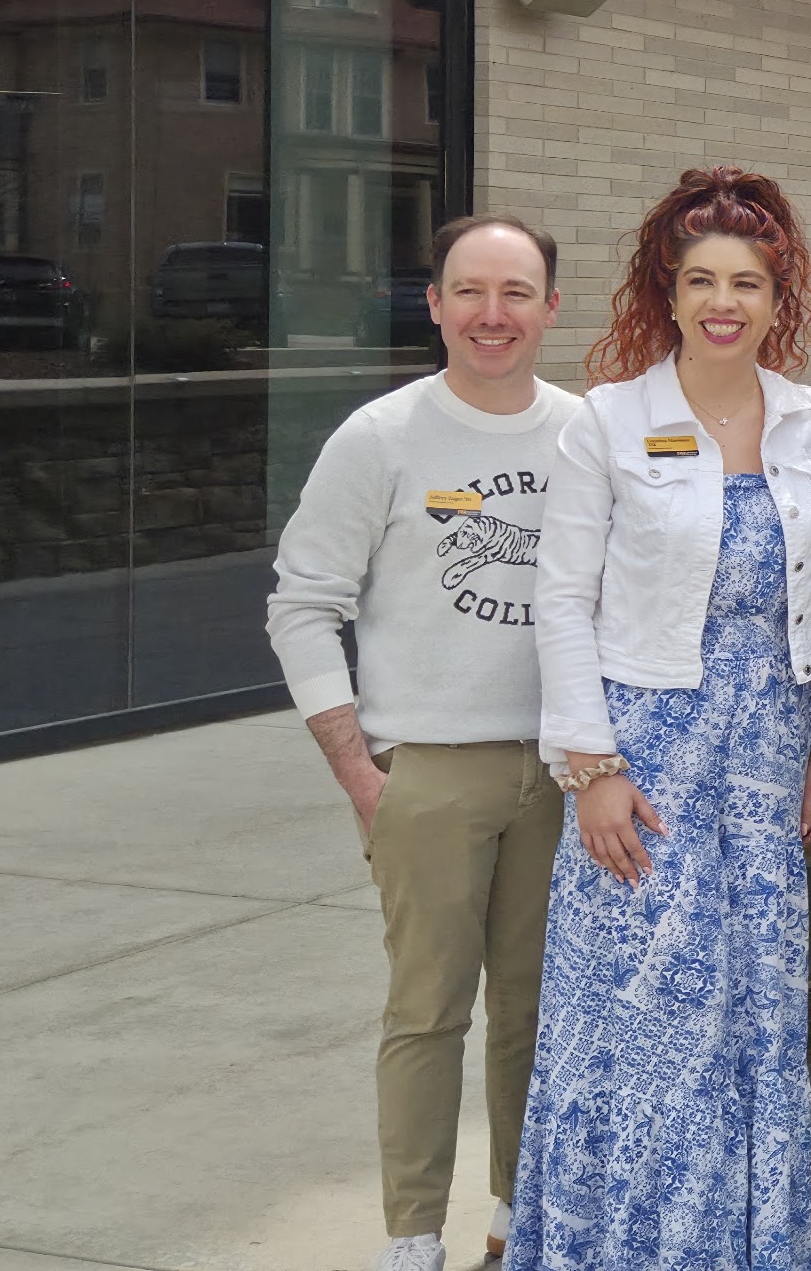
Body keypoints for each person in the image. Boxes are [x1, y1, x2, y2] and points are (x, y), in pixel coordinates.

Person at [517, 168, 811, 1270]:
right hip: (644, 755)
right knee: (637, 1015)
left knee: (751, 1010)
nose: (724, 302)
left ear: (777, 293)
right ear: (667, 289)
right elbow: (559, 599)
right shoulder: (608, 421)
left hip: (764, 757)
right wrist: (590, 767)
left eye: (747, 282)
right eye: (702, 279)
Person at [268, 215, 581, 1271]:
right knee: (427, 1016)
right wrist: (358, 767)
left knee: (535, 1018)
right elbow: (301, 604)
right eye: (471, 291)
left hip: (560, 771)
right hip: (429, 773)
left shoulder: (584, 436)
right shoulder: (382, 438)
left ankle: (513, 1222)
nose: (494, 315)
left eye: (517, 292)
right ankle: (412, 1238)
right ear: (437, 303)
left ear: (550, 307)